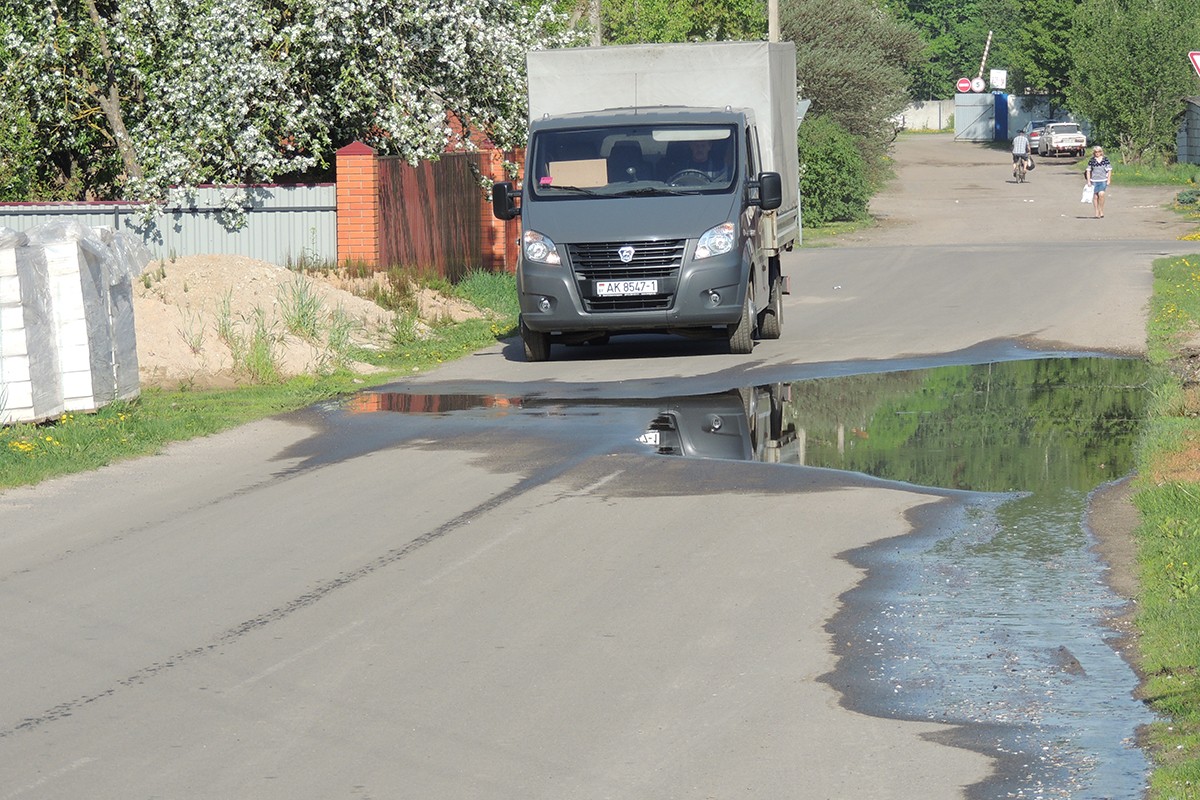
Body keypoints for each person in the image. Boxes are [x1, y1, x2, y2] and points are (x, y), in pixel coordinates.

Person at [1085, 145, 1112, 218]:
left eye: (1099, 151)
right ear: (1094, 152)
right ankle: (1096, 210)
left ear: (1101, 152)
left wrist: (1109, 179)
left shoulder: (1105, 159)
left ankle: (1101, 210)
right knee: (1095, 197)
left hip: (1103, 180)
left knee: (1101, 194)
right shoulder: (1092, 160)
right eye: (1096, 152)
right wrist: (1088, 181)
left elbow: (1109, 170)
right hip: (1094, 180)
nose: (1097, 153)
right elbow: (1088, 171)